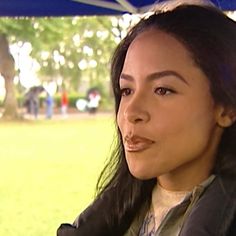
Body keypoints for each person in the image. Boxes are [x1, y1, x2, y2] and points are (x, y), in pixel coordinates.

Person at [57, 2, 236, 236]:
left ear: (225, 109)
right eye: (126, 90)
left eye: (162, 90)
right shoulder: (106, 216)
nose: (131, 112)